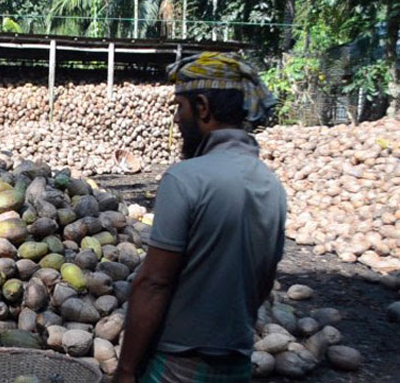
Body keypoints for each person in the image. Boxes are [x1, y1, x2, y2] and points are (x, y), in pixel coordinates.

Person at [116, 52, 286, 383]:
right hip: (237, 361)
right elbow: (265, 280)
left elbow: (154, 282)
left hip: (179, 365)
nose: (177, 120)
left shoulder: (186, 178)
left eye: (179, 107)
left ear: (203, 107)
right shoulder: (271, 184)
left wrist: (125, 370)